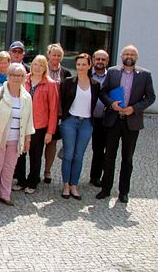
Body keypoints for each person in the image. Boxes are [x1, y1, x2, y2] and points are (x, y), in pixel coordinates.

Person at [96, 45, 155, 203]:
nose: (129, 56)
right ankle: (105, 188)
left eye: (132, 54)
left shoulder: (145, 75)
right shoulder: (113, 72)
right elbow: (102, 92)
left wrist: (134, 109)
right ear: (121, 56)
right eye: (126, 53)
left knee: (127, 158)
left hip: (132, 122)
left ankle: (123, 191)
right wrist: (111, 104)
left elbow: (150, 97)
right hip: (113, 120)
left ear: (136, 57)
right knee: (109, 156)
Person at [0, 63, 34, 206]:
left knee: (9, 168)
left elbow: (29, 118)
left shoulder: (26, 97)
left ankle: (5, 195)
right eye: (13, 75)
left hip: (16, 138)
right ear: (8, 76)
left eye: (19, 75)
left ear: (24, 77)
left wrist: (28, 138)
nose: (16, 78)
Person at [58, 53, 100, 200]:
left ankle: (74, 185)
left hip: (86, 124)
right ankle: (66, 185)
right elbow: (62, 102)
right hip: (70, 122)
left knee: (79, 156)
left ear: (90, 66)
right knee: (68, 155)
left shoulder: (95, 85)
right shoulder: (68, 82)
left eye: (84, 64)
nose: (81, 67)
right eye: (78, 64)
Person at [14, 55, 58, 194]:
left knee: (35, 154)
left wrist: (50, 131)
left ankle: (33, 181)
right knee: (20, 152)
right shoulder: (24, 78)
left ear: (45, 68)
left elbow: (53, 109)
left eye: (41, 65)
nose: (37, 67)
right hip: (22, 122)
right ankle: (21, 180)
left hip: (39, 125)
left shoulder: (50, 84)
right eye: (35, 64)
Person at [43, 43, 71, 186]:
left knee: (52, 141)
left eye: (59, 55)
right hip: (41, 111)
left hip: (57, 112)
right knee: (35, 142)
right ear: (48, 55)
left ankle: (47, 170)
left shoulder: (65, 73)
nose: (56, 57)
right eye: (54, 54)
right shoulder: (41, 68)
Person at [89, 49, 110, 187]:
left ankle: (95, 177)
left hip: (102, 118)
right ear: (93, 60)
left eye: (103, 59)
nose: (100, 62)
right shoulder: (86, 74)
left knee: (99, 149)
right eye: (98, 59)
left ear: (107, 61)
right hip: (86, 117)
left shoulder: (112, 76)